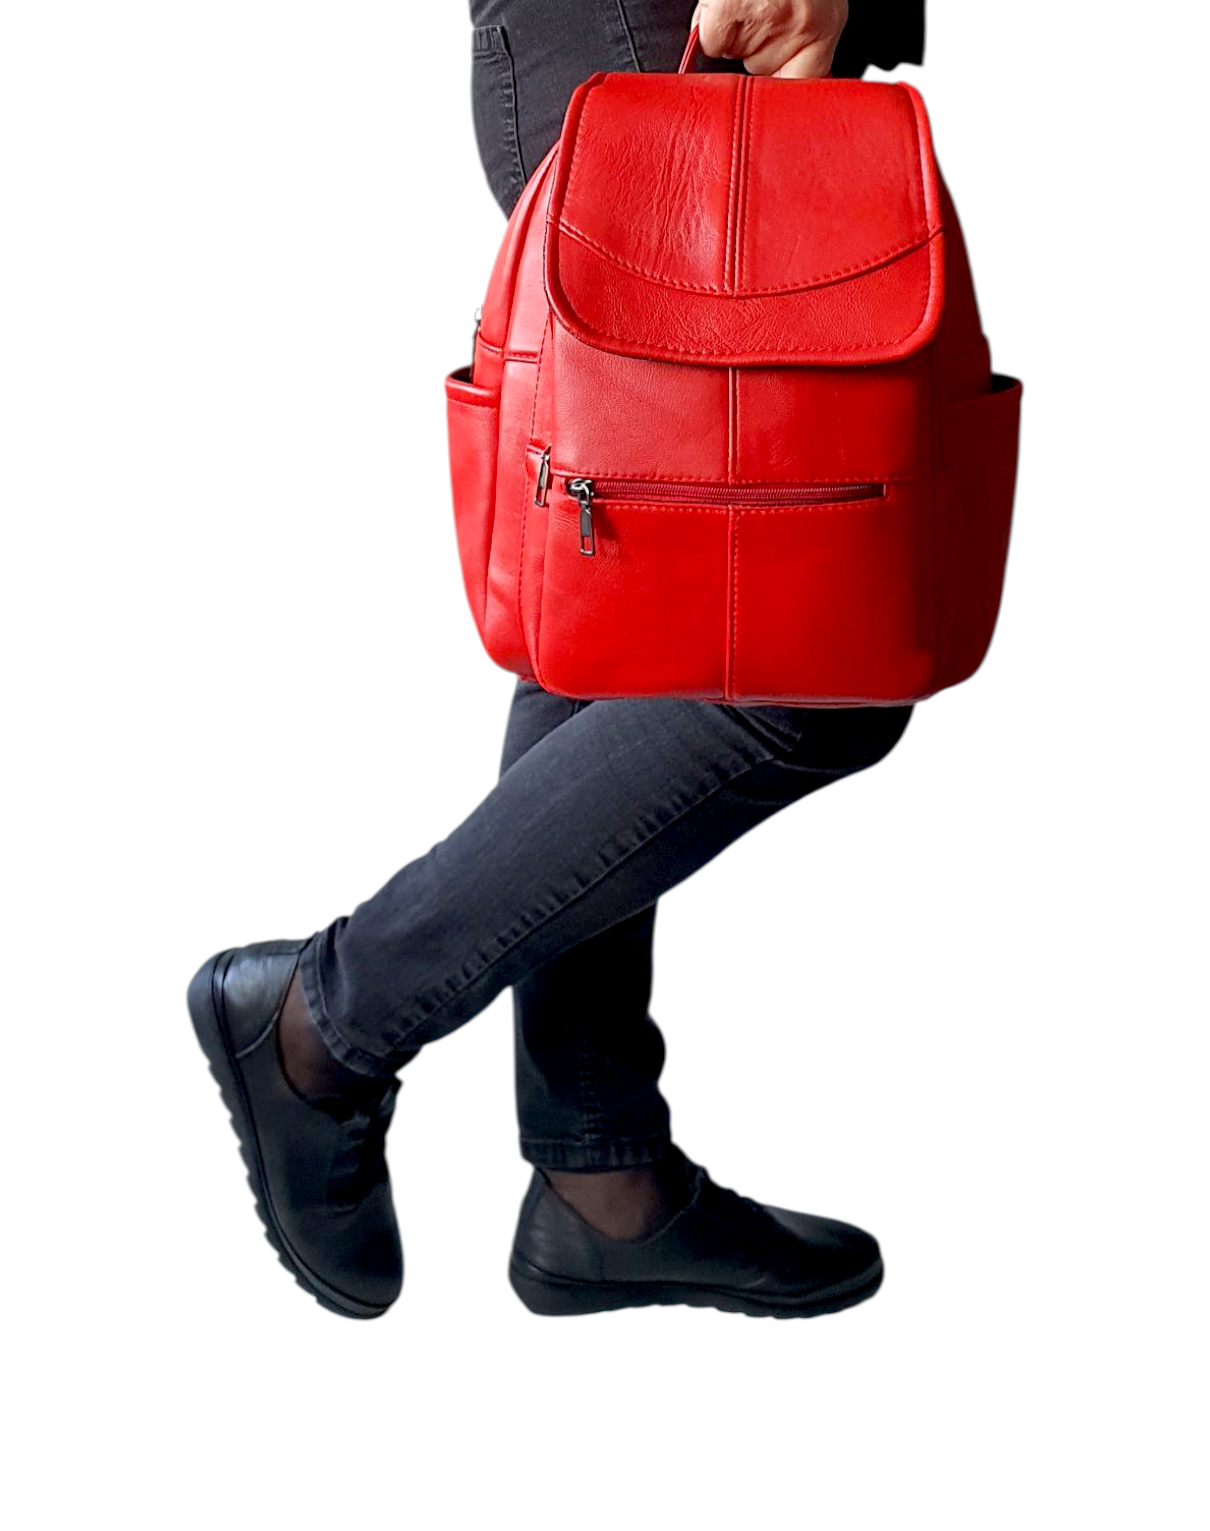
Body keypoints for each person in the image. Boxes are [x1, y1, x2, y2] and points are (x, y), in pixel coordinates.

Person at [187, 0, 927, 1322]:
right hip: (652, 33)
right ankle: (325, 1018)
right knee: (814, 660)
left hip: (649, 40)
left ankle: (600, 1176)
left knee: (622, 599)